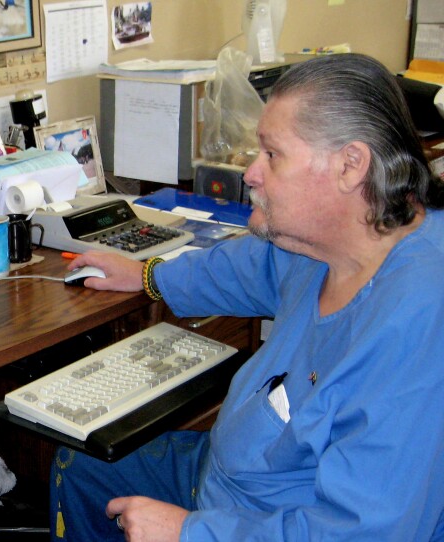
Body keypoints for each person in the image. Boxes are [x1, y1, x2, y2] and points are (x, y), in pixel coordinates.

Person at [51, 53, 444, 541]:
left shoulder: (416, 325)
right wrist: (149, 275)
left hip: (271, 520)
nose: (251, 172)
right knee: (82, 465)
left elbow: (367, 532)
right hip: (235, 479)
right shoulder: (329, 242)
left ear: (350, 165)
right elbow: (250, 267)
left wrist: (190, 534)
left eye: (272, 155)